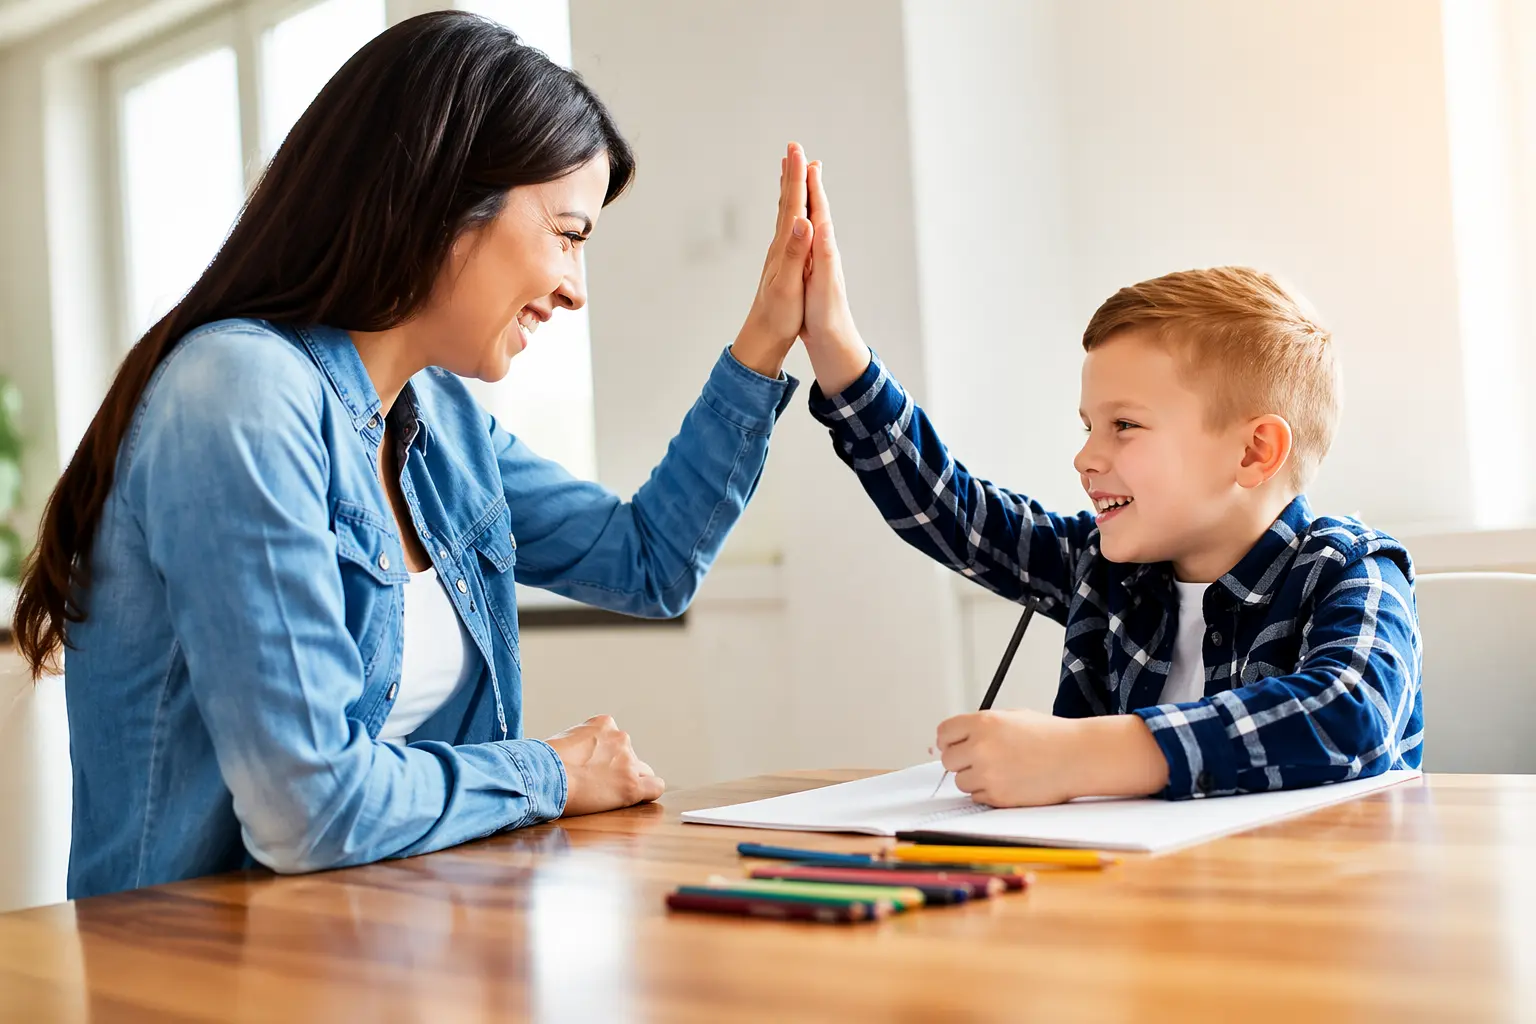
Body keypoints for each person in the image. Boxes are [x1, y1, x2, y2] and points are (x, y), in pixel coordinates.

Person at [12, 12, 819, 897]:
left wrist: (765, 342)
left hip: (391, 947)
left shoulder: (438, 424)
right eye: (568, 233)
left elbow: (651, 562)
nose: (575, 288)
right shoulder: (240, 391)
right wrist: (548, 771)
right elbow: (306, 808)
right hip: (193, 973)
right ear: (443, 200)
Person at [792, 160, 1422, 806]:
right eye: (1089, 425)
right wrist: (837, 349)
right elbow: (952, 511)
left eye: (1124, 425)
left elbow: (1349, 714)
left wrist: (1080, 756)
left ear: (1254, 452)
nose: (1085, 457)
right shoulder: (1104, 565)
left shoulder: (1349, 571)